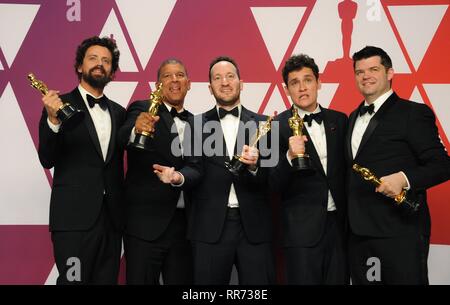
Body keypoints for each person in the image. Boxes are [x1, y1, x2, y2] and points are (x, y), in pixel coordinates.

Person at [153, 56, 275, 285]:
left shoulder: (265, 124)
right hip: (209, 228)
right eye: (217, 78)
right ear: (210, 88)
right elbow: (193, 169)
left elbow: (274, 178)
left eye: (230, 76)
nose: (225, 82)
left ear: (241, 83)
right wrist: (177, 177)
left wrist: (256, 166)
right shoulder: (195, 125)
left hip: (255, 229)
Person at [347, 46, 450, 284]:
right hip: (359, 235)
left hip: (400, 232)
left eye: (373, 69)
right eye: (360, 71)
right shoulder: (352, 117)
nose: (366, 76)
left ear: (390, 73)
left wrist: (403, 179)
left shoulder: (413, 113)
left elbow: (442, 165)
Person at [38, 36, 126, 284]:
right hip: (73, 222)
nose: (100, 64)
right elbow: (47, 158)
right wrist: (53, 120)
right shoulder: (58, 105)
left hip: (111, 221)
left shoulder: (119, 112)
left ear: (112, 71)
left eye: (107, 61)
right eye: (93, 58)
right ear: (80, 66)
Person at [270, 54, 349, 284]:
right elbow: (271, 183)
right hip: (300, 232)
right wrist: (288, 157)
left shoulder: (340, 120)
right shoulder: (276, 126)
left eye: (308, 80)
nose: (302, 88)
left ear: (319, 82)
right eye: (295, 83)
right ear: (286, 89)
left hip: (340, 229)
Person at [118, 59, 194, 285]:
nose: (174, 80)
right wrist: (136, 129)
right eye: (167, 76)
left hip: (185, 228)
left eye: (179, 75)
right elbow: (122, 137)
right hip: (145, 226)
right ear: (157, 85)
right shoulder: (143, 108)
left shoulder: (197, 122)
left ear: (188, 83)